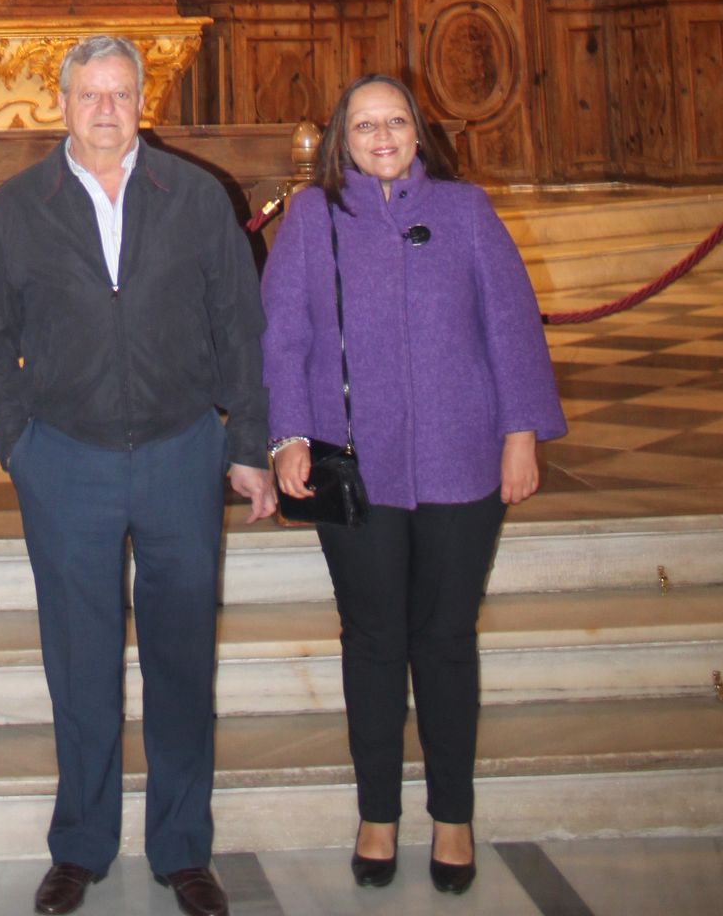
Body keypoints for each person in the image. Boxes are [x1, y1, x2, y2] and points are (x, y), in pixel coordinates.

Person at [0, 35, 274, 916]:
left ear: (143, 100)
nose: (105, 109)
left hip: (181, 452)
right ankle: (82, 844)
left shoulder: (195, 197)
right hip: (64, 459)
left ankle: (184, 848)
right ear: (60, 104)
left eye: (120, 94)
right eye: (89, 94)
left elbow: (240, 325)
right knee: (80, 664)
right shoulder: (19, 206)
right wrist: (17, 445)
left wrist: (245, 442)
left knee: (182, 659)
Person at [260, 74, 565, 896]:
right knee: (371, 641)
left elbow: (510, 326)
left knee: (443, 638)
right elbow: (281, 338)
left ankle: (455, 815)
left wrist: (521, 434)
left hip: (463, 461)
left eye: (396, 122)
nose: (382, 136)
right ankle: (377, 814)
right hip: (353, 469)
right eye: (365, 125)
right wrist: (287, 435)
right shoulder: (311, 218)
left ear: (419, 133)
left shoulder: (465, 212)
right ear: (340, 139)